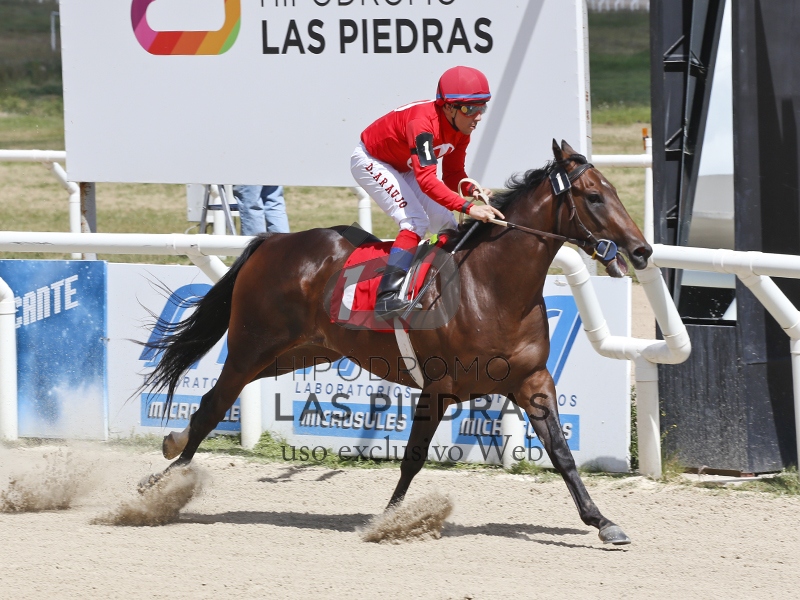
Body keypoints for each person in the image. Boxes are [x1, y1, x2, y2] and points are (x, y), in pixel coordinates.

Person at [350, 65, 504, 319]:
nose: (477, 117)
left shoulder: (461, 129)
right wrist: (468, 208)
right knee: (414, 222)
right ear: (449, 107)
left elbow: (453, 175)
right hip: (372, 160)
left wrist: (471, 189)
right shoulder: (423, 125)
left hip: (405, 167)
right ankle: (386, 297)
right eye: (470, 109)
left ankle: (443, 286)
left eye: (482, 108)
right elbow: (427, 181)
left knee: (447, 224)